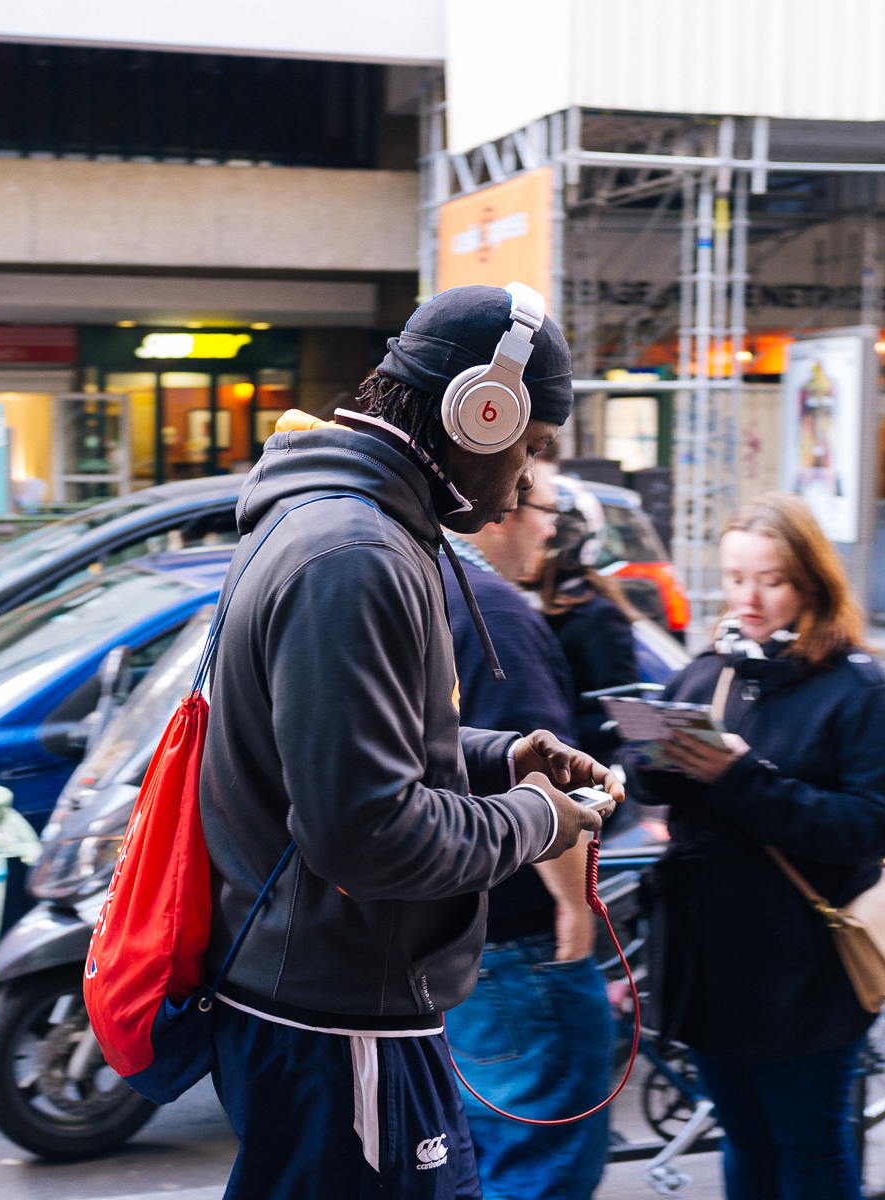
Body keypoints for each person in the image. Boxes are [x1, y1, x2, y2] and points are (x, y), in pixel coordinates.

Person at [199, 284, 624, 1199]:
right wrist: (538, 820)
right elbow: (364, 830)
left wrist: (495, 758)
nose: (521, 485)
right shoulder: (355, 554)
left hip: (333, 1008)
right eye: (532, 446)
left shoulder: (347, 529)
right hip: (338, 1018)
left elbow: (342, 751)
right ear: (482, 410)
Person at [626, 491, 885, 1200]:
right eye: (734, 578)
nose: (748, 599)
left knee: (809, 1146)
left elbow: (875, 826)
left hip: (804, 963)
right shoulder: (714, 669)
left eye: (771, 580)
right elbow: (650, 784)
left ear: (812, 582)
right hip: (713, 957)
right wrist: (655, 753)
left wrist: (739, 775)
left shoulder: (857, 688)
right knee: (744, 1137)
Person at [440, 464, 616, 1200]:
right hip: (519, 943)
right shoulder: (497, 614)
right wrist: (575, 904)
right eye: (545, 509)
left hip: (452, 936)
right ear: (502, 509)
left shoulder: (420, 587)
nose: (552, 528)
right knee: (540, 1165)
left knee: (480, 1161)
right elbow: (543, 775)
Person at [538, 479, 639, 755]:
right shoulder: (531, 607)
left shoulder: (599, 616)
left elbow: (624, 715)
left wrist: (556, 733)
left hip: (578, 771)